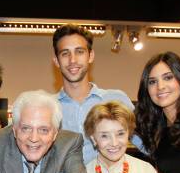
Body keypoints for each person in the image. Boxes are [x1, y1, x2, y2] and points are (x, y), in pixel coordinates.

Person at [52, 24, 141, 164]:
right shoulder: (48, 108)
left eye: (79, 51)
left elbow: (146, 145)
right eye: (65, 53)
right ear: (56, 61)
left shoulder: (116, 99)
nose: (72, 60)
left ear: (91, 56)